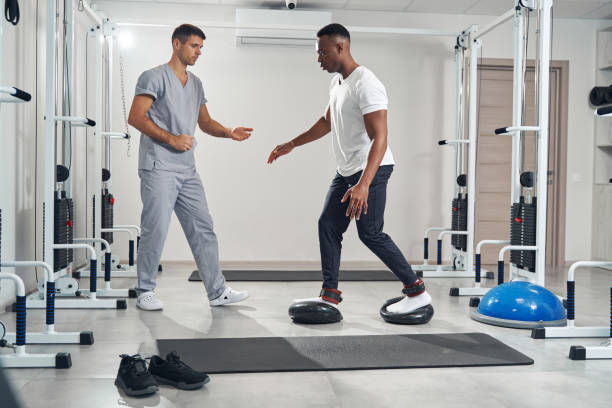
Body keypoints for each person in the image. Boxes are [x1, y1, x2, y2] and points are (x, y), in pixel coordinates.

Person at [267, 23, 432, 318]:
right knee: (328, 225)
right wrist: (292, 143)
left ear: (340, 47)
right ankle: (330, 295)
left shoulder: (366, 83)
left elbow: (380, 138)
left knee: (370, 233)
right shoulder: (338, 83)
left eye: (322, 52)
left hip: (373, 169)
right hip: (347, 172)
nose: (319, 58)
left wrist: (365, 184)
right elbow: (326, 122)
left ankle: (417, 290)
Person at [128, 24, 251, 311]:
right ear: (177, 44)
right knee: (155, 229)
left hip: (187, 170)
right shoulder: (154, 76)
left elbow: (205, 122)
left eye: (201, 48)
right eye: (194, 46)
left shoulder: (195, 83)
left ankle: (217, 291)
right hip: (158, 166)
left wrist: (229, 131)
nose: (198, 52)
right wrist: (171, 138)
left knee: (203, 228)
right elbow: (136, 117)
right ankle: (145, 290)